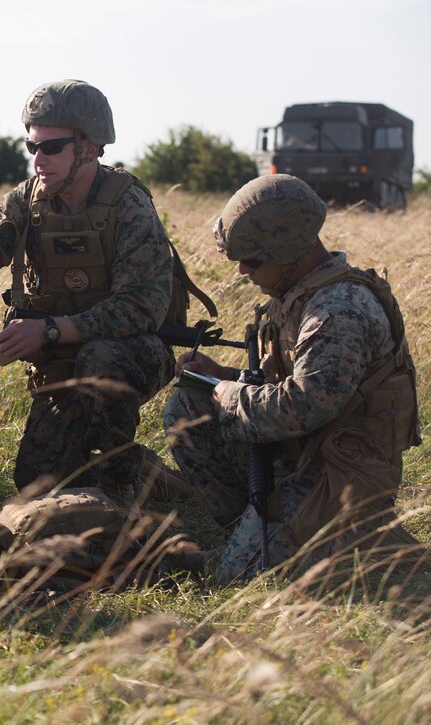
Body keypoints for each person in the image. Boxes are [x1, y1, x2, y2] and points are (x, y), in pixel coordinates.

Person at [164, 174, 421, 582]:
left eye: (252, 260)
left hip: (339, 474)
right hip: (301, 453)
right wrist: (221, 377)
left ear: (288, 250)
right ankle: (249, 527)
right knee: (188, 405)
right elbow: (286, 383)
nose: (243, 271)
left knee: (241, 577)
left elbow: (305, 404)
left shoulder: (338, 309)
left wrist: (230, 395)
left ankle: (366, 542)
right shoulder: (297, 297)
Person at [0, 79, 177, 503]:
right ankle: (150, 474)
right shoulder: (26, 199)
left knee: (103, 357)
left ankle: (121, 484)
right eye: (32, 147)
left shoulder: (128, 205)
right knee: (37, 482)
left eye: (51, 147)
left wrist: (50, 331)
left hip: (132, 353)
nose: (38, 159)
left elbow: (141, 309)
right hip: (59, 365)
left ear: (88, 147)